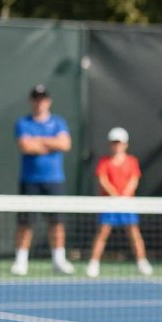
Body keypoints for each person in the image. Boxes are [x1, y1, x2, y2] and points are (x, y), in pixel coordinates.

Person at [13, 84, 75, 276]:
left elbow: (65, 144)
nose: (40, 102)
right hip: (30, 180)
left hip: (54, 180)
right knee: (26, 222)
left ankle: (58, 259)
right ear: (32, 101)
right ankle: (21, 261)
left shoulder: (59, 122)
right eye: (36, 99)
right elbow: (26, 147)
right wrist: (51, 142)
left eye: (43, 99)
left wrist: (39, 141)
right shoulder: (23, 123)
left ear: (48, 101)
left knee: (56, 222)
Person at [86, 127, 152, 277]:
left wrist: (124, 196)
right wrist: (114, 195)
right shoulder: (104, 161)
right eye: (114, 143)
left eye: (119, 143)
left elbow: (134, 180)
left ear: (125, 144)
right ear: (110, 144)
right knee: (103, 232)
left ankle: (142, 262)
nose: (117, 146)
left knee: (134, 233)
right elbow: (102, 180)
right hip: (109, 203)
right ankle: (93, 263)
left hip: (127, 203)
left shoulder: (132, 161)